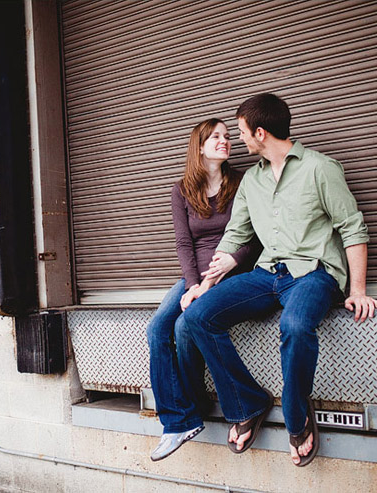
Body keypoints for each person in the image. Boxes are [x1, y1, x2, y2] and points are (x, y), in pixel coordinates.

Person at [179, 93, 377, 467]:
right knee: (198, 316)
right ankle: (247, 403)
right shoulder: (251, 182)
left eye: (240, 132)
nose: (238, 140)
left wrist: (358, 290)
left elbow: (353, 227)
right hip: (268, 273)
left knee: (295, 324)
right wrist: (204, 287)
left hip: (314, 273)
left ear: (260, 132)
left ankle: (296, 415)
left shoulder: (320, 168)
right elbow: (233, 238)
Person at [146, 118, 260, 462]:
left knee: (184, 327)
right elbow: (183, 243)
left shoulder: (242, 183)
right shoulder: (181, 189)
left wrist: (230, 262)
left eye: (228, 136)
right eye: (215, 137)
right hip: (196, 274)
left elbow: (255, 237)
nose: (224, 141)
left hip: (234, 271)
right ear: (199, 146)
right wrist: (194, 284)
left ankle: (192, 409)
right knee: (157, 329)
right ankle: (177, 421)